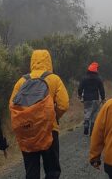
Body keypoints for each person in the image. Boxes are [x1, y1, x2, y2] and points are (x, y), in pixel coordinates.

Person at [10, 49, 69, 179]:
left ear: (32, 62)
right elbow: (64, 104)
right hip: (49, 130)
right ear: (49, 61)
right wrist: (54, 117)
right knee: (52, 170)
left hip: (28, 131)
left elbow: (12, 106)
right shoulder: (54, 79)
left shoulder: (21, 81)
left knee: (31, 170)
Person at [78, 62, 106, 136]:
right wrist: (103, 98)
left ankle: (86, 122)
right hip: (95, 99)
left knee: (87, 112)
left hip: (87, 99)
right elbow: (101, 90)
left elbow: (80, 87)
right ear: (96, 71)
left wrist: (80, 95)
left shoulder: (84, 78)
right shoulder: (98, 79)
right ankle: (92, 131)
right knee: (94, 114)